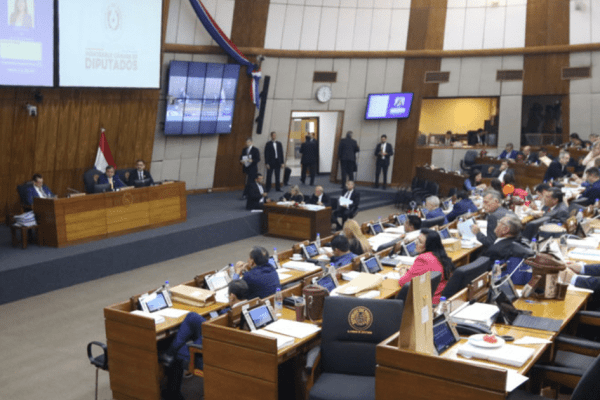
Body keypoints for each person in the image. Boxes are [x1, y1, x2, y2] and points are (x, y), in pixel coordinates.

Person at [161, 280, 249, 400]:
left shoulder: (229, 315)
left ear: (232, 296)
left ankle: (172, 394)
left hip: (211, 354)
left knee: (177, 351)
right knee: (192, 317)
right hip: (222, 345)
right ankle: (170, 353)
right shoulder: (247, 308)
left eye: (228, 296)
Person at [398, 229, 455, 304]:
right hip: (441, 298)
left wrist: (402, 273)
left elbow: (403, 282)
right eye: (417, 239)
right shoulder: (440, 256)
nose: (416, 243)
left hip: (427, 303)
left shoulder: (423, 259)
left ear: (428, 246)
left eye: (420, 242)